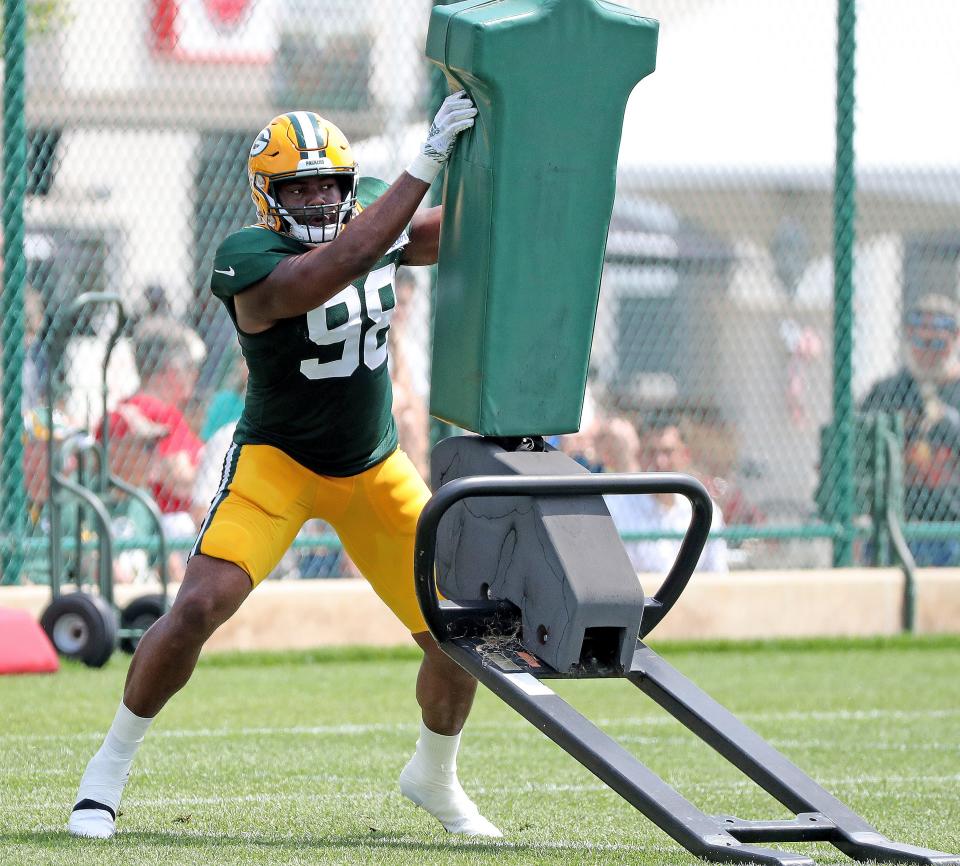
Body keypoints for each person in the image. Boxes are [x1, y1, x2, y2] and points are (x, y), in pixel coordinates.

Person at [67, 93, 499, 839]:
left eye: (330, 184)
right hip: (280, 463)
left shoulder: (371, 228)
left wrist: (512, 155)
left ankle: (435, 773)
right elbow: (341, 262)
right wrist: (426, 161)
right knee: (199, 605)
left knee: (454, 629)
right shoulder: (250, 256)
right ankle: (106, 769)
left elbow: (467, 234)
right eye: (300, 187)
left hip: (372, 465)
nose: (318, 198)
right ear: (269, 196)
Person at [860, 293, 960, 565]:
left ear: (954, 338)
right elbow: (857, 451)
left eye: (937, 343)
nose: (927, 352)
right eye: (920, 342)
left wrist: (946, 421)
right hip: (895, 525)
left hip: (951, 529)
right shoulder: (887, 392)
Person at [605, 422, 729, 574]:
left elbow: (718, 574)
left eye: (668, 452)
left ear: (685, 455)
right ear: (638, 456)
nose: (659, 462)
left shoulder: (705, 509)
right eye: (651, 452)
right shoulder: (614, 509)